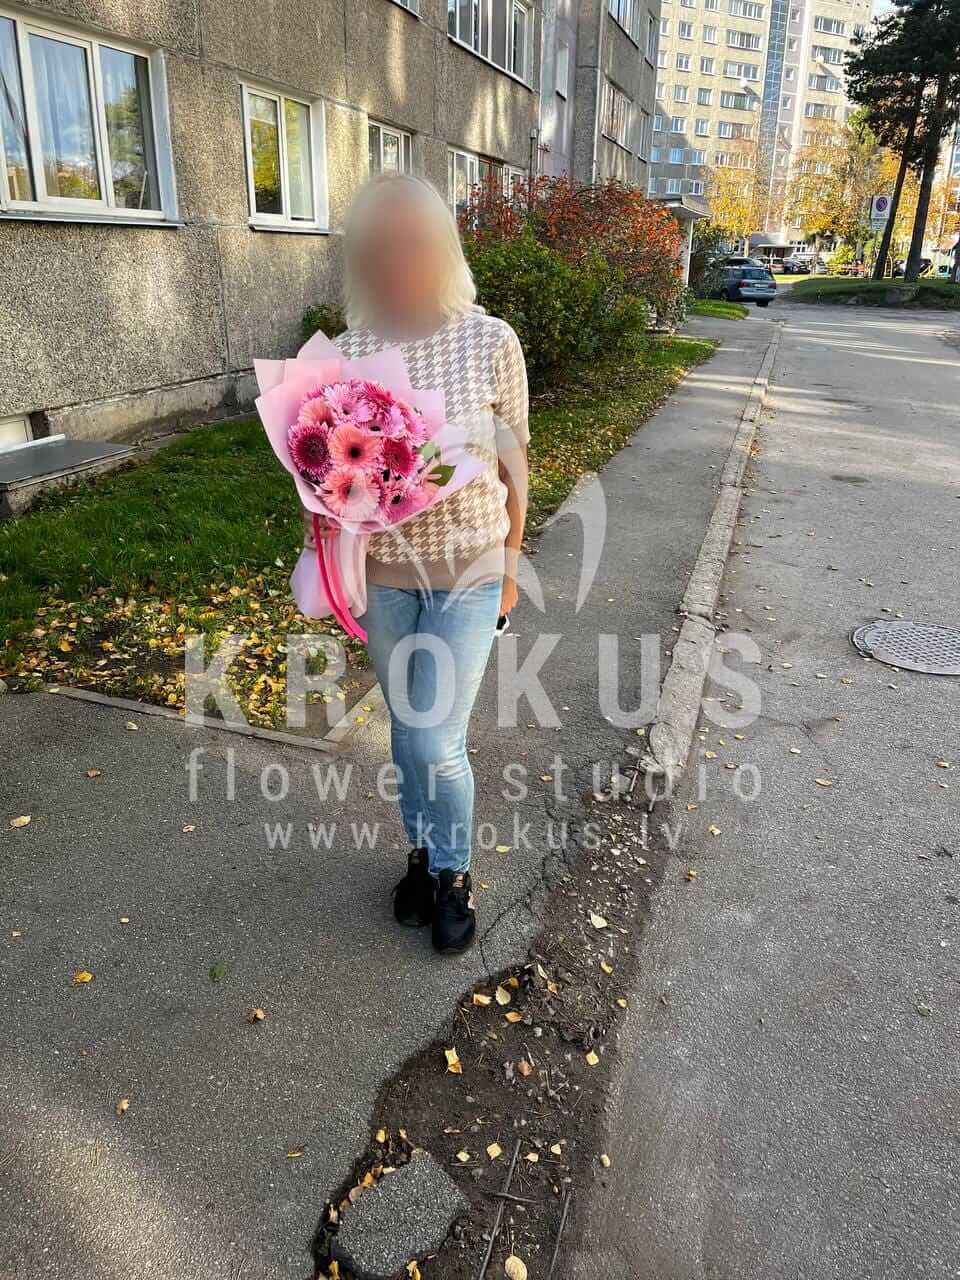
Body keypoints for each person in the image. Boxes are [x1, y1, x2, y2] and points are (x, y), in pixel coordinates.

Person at [312, 174, 529, 955]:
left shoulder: (490, 339)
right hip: (386, 579)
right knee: (407, 734)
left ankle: (454, 872)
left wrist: (512, 567)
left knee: (438, 741)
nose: (398, 257)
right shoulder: (348, 351)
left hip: (470, 574)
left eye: (414, 240)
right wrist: (323, 504)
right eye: (382, 244)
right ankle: (421, 858)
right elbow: (328, 466)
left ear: (442, 246)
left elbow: (515, 464)